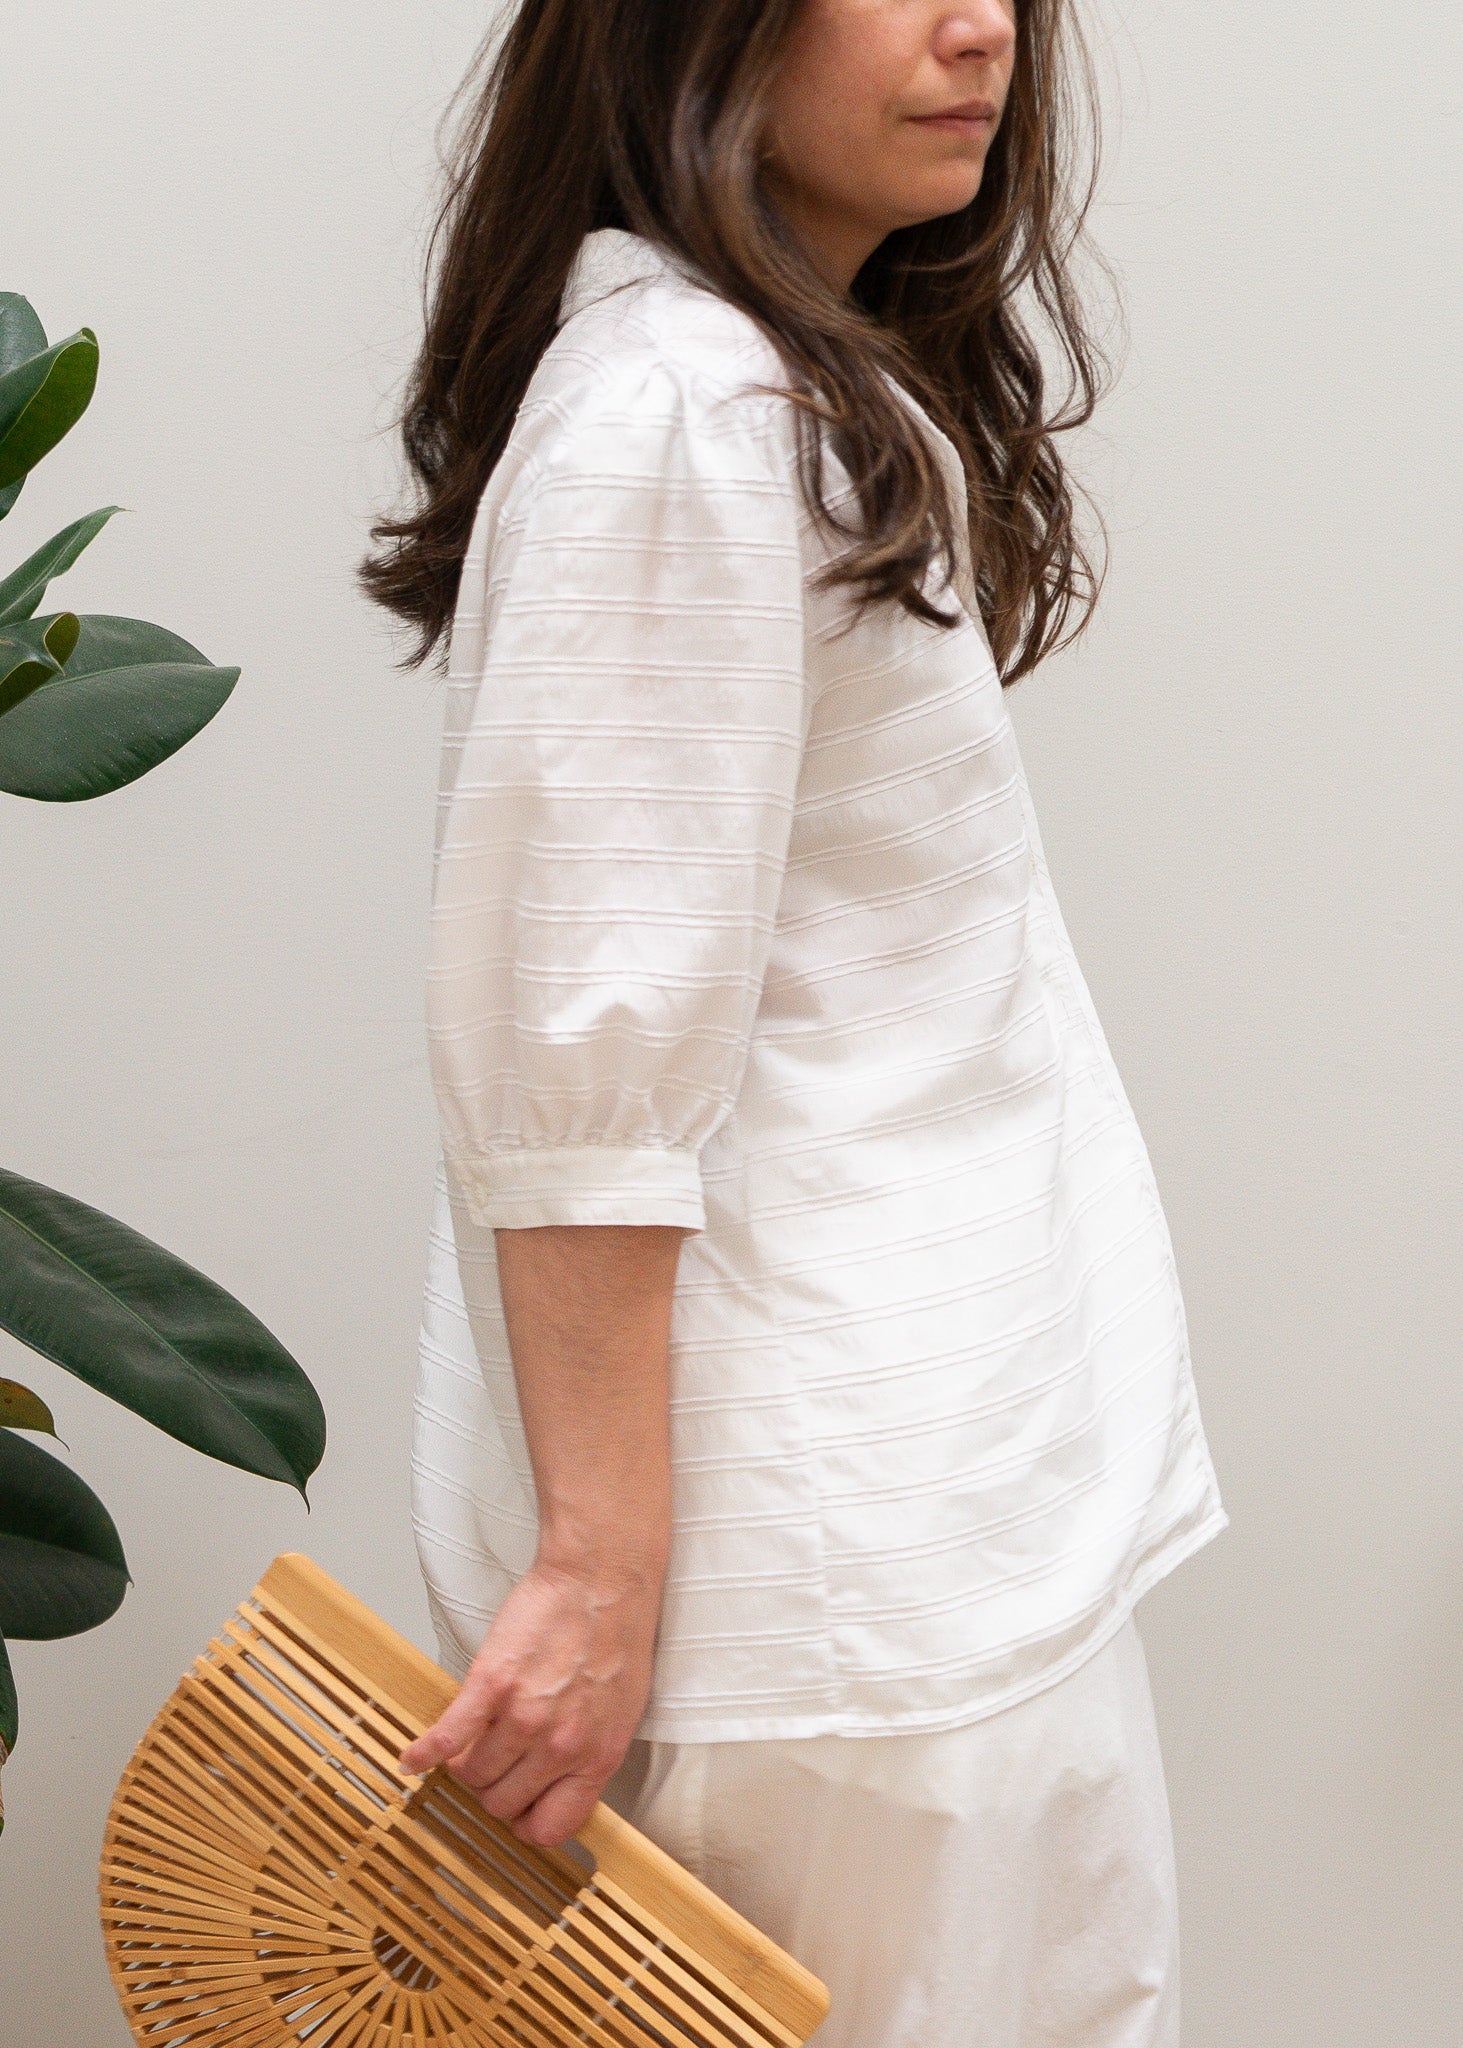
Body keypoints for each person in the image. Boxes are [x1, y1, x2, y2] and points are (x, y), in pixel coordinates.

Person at [362, 3, 1226, 2042]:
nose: (978, 28)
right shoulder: (680, 411)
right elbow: (590, 1049)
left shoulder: (767, 390)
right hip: (829, 1606)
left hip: (919, 1552)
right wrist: (593, 1575)